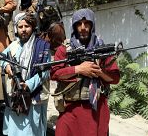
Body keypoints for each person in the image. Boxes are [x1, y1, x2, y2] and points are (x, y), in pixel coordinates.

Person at [51, 8, 120, 136]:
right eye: (79, 24)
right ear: (74, 26)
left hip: (97, 109)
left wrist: (99, 72)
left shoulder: (102, 48)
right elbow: (55, 73)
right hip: (71, 109)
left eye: (87, 23)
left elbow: (115, 78)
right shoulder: (64, 49)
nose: (83, 28)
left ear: (92, 25)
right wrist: (78, 69)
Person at [0, 12, 51, 136]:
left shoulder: (42, 47)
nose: (23, 30)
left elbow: (45, 71)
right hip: (17, 96)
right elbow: (1, 58)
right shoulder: (13, 46)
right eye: (20, 27)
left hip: (34, 96)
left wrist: (28, 84)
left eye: (26, 26)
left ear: (33, 27)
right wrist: (6, 66)